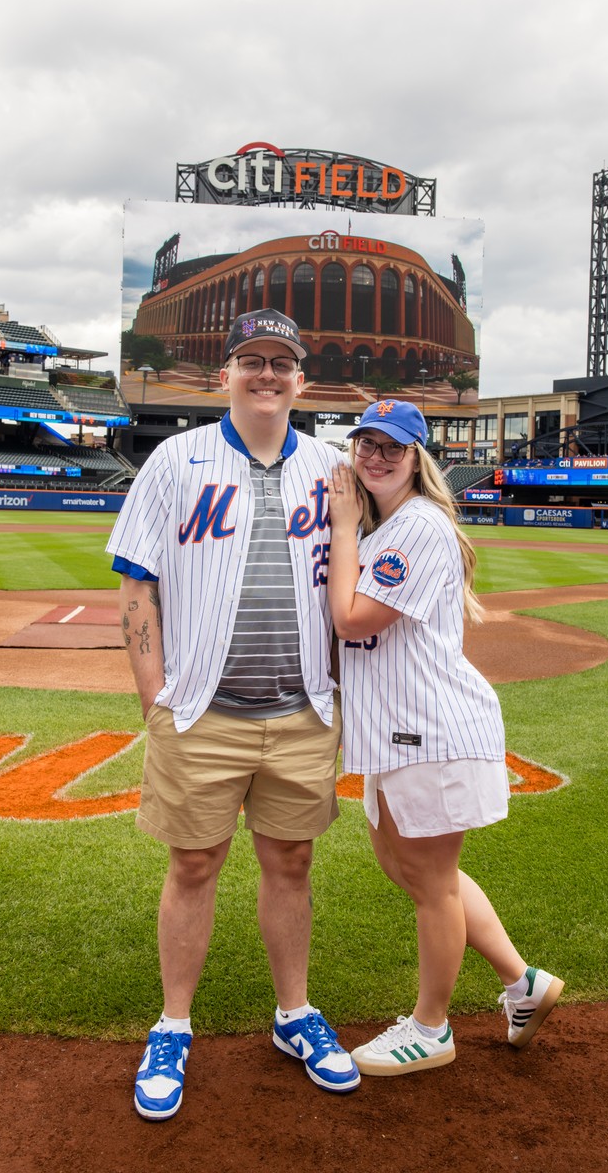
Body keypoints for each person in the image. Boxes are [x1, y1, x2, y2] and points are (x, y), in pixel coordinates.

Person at [107, 309, 359, 1120]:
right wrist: (156, 698)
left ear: (301, 379)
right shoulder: (175, 461)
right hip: (202, 710)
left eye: (282, 362)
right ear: (227, 373)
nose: (267, 374)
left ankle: (295, 1016)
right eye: (251, 359)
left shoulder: (335, 468)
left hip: (302, 709)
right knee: (194, 866)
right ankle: (173, 1026)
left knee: (291, 865)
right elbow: (136, 581)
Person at [326, 399, 563, 1076]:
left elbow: (352, 620)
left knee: (431, 883)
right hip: (399, 731)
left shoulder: (418, 527)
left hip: (427, 728)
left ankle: (431, 1027)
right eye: (365, 443)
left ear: (416, 457)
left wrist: (344, 526)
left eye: (391, 447)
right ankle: (523, 983)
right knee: (418, 872)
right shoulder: (392, 526)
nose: (375, 455)